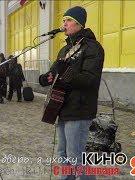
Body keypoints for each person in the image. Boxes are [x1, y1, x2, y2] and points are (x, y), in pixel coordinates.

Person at [39, 6, 104, 180]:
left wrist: (65, 72)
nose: (64, 24)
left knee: (76, 156)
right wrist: (46, 78)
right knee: (62, 153)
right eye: (64, 20)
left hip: (80, 109)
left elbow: (89, 80)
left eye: (67, 20)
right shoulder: (65, 49)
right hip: (62, 107)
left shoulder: (93, 48)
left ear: (78, 24)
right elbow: (55, 72)